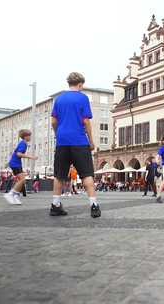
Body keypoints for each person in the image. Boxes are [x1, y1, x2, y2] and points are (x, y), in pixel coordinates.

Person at [50, 72, 100, 217]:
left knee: (59, 175)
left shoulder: (59, 99)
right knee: (87, 174)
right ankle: (94, 206)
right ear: (80, 84)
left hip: (62, 141)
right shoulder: (82, 98)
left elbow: (54, 121)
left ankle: (55, 205)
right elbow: (85, 121)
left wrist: (58, 134)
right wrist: (91, 140)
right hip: (79, 141)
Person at [3, 129, 38, 205]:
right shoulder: (23, 144)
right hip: (16, 163)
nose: (30, 137)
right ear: (25, 136)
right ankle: (10, 194)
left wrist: (9, 163)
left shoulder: (23, 143)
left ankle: (15, 197)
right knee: (22, 180)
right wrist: (30, 157)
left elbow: (15, 153)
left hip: (15, 163)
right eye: (29, 135)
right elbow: (18, 154)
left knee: (20, 180)